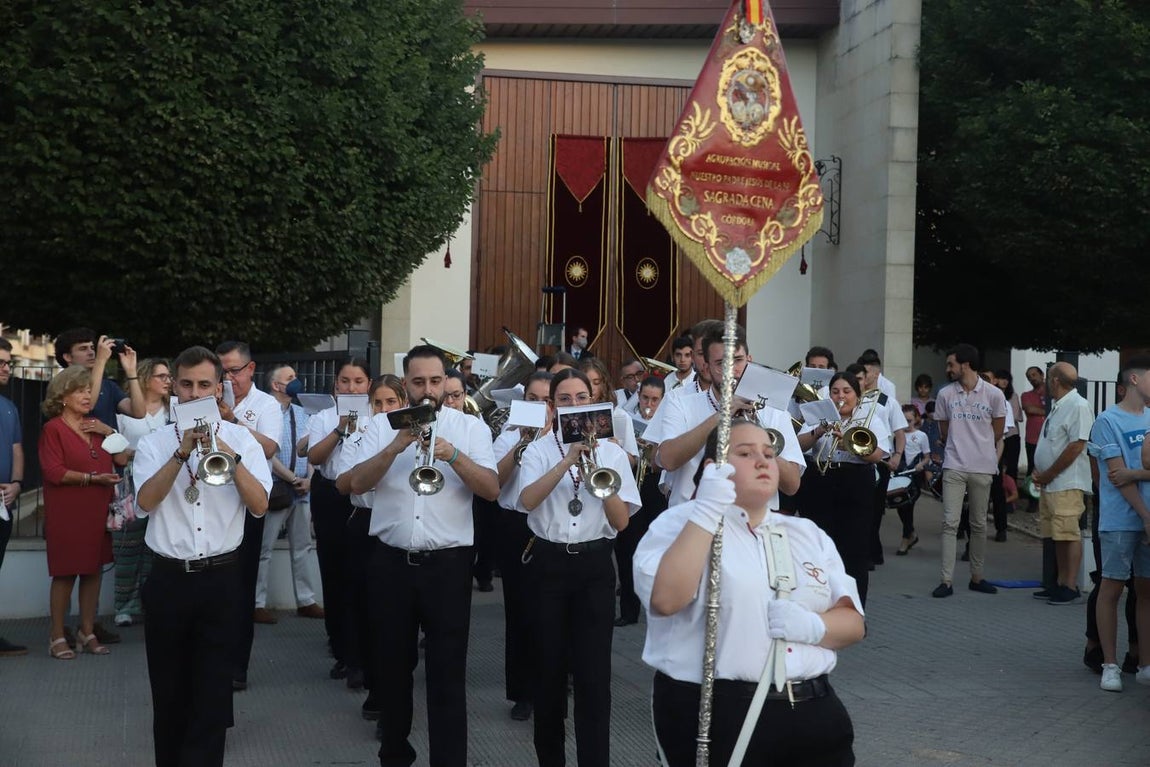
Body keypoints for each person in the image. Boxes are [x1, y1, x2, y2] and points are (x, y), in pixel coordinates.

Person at [635, 419, 864, 766]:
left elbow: (854, 623)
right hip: (722, 709)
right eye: (744, 453)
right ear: (713, 467)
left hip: (815, 709)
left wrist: (814, 627)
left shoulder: (807, 532)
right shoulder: (677, 524)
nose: (762, 461)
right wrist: (708, 510)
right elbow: (666, 600)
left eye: (769, 453)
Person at [348, 345, 499, 767]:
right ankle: (395, 754)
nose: (428, 390)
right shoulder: (380, 427)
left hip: (448, 566)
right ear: (406, 383)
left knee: (448, 676)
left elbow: (490, 489)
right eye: (418, 382)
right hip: (390, 563)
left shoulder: (470, 428)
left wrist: (452, 454)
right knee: (392, 672)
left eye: (436, 381)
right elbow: (354, 485)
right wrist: (394, 446)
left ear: (447, 382)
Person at [133, 345, 271, 767]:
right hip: (169, 579)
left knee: (212, 697)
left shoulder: (242, 439)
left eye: (204, 385)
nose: (195, 393)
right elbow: (145, 502)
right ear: (174, 386)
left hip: (222, 579)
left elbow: (260, 504)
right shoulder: (155, 442)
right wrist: (180, 454)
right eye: (187, 384)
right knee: (169, 694)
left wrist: (229, 454)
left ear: (219, 389)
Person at [516, 368, 640, 767]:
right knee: (547, 674)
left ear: (594, 401)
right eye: (565, 399)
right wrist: (567, 459)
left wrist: (595, 478)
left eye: (582, 398)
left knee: (593, 678)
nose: (574, 405)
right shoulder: (538, 449)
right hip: (548, 565)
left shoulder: (613, 452)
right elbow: (527, 501)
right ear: (553, 406)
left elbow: (621, 522)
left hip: (594, 566)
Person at [643, 329, 804, 508]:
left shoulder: (774, 411)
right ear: (707, 366)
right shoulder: (680, 403)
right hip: (693, 522)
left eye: (738, 360)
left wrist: (759, 438)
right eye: (721, 363)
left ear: (749, 360)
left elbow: (792, 485)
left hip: (752, 526)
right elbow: (667, 460)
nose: (730, 370)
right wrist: (722, 415)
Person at [39, 366, 129, 659]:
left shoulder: (96, 424)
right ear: (62, 396)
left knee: (93, 571)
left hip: (97, 510)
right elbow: (53, 472)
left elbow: (122, 458)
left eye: (89, 390)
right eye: (80, 390)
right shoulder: (53, 429)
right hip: (68, 511)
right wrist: (93, 479)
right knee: (65, 573)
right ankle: (56, 635)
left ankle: (86, 631)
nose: (87, 395)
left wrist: (111, 431)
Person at [334, 374, 406, 725]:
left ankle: (390, 689)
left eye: (391, 402)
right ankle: (371, 682)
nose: (383, 409)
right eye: (377, 403)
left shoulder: (411, 434)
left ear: (402, 404)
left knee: (395, 616)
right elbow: (343, 481)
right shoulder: (359, 432)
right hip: (364, 520)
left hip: (397, 521)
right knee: (365, 606)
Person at [215, 340, 280, 691]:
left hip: (249, 502)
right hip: (213, 504)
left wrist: (232, 420)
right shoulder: (205, 400)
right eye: (222, 371)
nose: (228, 378)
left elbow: (269, 447)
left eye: (234, 370)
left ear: (251, 369)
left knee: (241, 587)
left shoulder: (266, 404)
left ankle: (237, 665)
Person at [796, 372, 891, 605]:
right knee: (818, 546)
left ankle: (854, 610)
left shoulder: (871, 419)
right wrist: (818, 431)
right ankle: (820, 605)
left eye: (847, 391)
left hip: (855, 481)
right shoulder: (818, 415)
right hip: (820, 480)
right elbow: (798, 445)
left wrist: (849, 443)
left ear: (857, 397)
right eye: (835, 391)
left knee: (855, 549)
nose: (841, 396)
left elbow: (879, 455)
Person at [490, 370, 553, 721]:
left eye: (547, 399)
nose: (540, 405)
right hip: (516, 525)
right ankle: (522, 692)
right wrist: (521, 445)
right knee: (519, 611)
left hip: (552, 527)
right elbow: (495, 483)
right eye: (533, 398)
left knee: (551, 611)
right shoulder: (508, 434)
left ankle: (552, 685)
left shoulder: (564, 437)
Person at [306, 359, 373, 682]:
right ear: (335, 386)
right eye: (345, 381)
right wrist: (340, 428)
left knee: (360, 573)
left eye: (358, 381)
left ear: (368, 385)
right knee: (333, 572)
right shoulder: (323, 417)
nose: (351, 387)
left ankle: (361, 649)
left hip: (362, 497)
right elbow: (315, 457)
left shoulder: (377, 416)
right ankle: (341, 646)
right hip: (329, 494)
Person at [1088, 356, 1150, 692]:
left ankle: (1145, 663)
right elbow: (1115, 476)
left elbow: (1129, 473)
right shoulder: (1107, 420)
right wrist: (1145, 515)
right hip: (1120, 519)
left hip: (1147, 520)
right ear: (1136, 380)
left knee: (1146, 591)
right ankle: (1109, 665)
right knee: (1111, 587)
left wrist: (1137, 473)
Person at [931, 343, 1007, 598]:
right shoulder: (945, 395)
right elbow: (943, 430)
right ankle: (946, 580)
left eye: (951, 363)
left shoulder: (994, 395)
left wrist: (980, 446)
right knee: (950, 523)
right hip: (954, 463)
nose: (947, 368)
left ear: (965, 364)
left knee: (978, 524)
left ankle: (977, 576)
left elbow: (998, 431)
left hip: (982, 466)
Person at [255, 365, 322, 623]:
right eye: (290, 378)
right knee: (265, 547)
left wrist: (309, 479)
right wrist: (292, 478)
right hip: (278, 487)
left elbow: (311, 445)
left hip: (302, 490)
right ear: (276, 385)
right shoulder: (267, 412)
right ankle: (257, 602)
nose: (297, 381)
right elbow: (267, 452)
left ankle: (306, 600)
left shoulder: (301, 412)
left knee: (303, 546)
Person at [112, 357, 172, 627]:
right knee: (127, 547)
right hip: (129, 486)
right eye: (161, 376)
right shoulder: (125, 407)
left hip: (164, 483)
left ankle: (150, 603)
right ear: (146, 378)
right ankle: (123, 606)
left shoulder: (174, 410)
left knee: (156, 547)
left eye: (169, 376)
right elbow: (119, 454)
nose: (167, 381)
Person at [1029, 362, 1093, 605]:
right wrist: (1040, 469)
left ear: (1054, 380)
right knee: (1056, 534)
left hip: (1066, 482)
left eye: (1048, 378)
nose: (1046, 383)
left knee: (1068, 534)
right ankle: (1058, 583)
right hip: (1051, 482)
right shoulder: (1059, 406)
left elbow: (1076, 446)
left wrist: (1049, 473)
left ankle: (1070, 585)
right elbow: (1052, 443)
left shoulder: (1078, 405)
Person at [615, 374, 668, 627]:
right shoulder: (626, 418)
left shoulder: (669, 421)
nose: (649, 404)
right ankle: (628, 610)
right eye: (645, 397)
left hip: (657, 492)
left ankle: (659, 608)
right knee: (627, 550)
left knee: (660, 552)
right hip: (632, 487)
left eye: (655, 400)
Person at [444, 368, 498, 593]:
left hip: (469, 500)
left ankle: (482, 571)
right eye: (445, 396)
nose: (450, 401)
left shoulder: (474, 425)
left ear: (464, 395)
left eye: (456, 395)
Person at [54, 326, 147, 428]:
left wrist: (131, 371)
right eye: (83, 349)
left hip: (105, 444)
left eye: (93, 348)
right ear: (67, 357)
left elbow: (139, 413)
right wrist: (101, 360)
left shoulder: (108, 385)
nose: (91, 353)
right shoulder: (62, 384)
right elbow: (89, 405)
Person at [0, 338, 28, 656]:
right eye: (1, 362)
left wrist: (18, 483)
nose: (6, 368)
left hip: (5, 505)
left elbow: (16, 449)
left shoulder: (9, 407)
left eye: (9, 362)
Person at [895, 403, 932, 556]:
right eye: (903, 421)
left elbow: (927, 457)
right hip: (901, 474)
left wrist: (921, 465)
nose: (907, 424)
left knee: (908, 505)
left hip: (914, 476)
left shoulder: (921, 436)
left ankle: (905, 539)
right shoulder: (897, 435)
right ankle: (912, 534)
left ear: (916, 419)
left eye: (909, 420)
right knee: (899, 506)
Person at [1021, 365, 1047, 476]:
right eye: (1029, 377)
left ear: (1042, 375)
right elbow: (1029, 409)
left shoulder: (1052, 393)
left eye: (1034, 375)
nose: (1032, 378)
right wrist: (1049, 410)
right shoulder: (1026, 395)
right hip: (1032, 439)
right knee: (1032, 468)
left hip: (1049, 438)